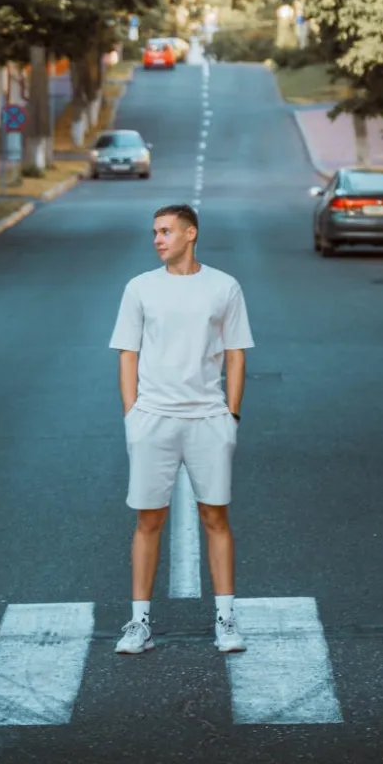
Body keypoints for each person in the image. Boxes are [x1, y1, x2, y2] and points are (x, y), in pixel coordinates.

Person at [109, 203, 254, 656]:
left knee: (215, 517)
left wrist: (231, 415)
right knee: (148, 520)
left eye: (166, 231)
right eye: (154, 231)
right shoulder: (139, 288)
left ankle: (226, 620)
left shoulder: (224, 286)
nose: (157, 239)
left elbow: (235, 353)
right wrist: (132, 415)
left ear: (190, 234)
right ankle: (139, 625)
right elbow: (127, 353)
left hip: (208, 419)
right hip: (153, 418)